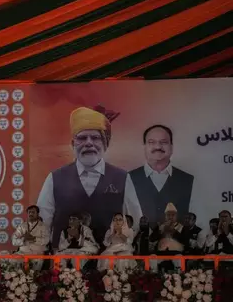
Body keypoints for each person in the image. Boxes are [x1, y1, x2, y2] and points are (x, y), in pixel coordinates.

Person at [37, 106, 143, 249]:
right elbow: (42, 226)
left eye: (95, 138)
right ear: (73, 144)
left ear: (105, 144)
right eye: (82, 138)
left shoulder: (122, 178)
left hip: (110, 264)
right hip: (64, 265)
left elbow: (135, 224)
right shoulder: (54, 178)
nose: (89, 143)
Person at [129, 125, 194, 225]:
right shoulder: (128, 178)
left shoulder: (188, 180)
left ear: (171, 147)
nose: (158, 147)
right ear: (144, 147)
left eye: (164, 142)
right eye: (151, 142)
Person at [153, 203, 189, 271]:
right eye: (168, 215)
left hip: (176, 253)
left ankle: (179, 278)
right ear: (165, 216)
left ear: (176, 216)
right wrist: (161, 230)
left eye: (173, 215)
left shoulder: (183, 228)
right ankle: (154, 279)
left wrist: (174, 231)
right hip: (161, 253)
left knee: (179, 260)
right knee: (152, 259)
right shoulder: (160, 227)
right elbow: (152, 239)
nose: (170, 217)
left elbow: (186, 242)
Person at [12, 205, 49, 269]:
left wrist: (34, 239)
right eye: (29, 212)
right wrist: (24, 239)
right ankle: (19, 278)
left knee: (37, 265)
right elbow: (14, 241)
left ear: (37, 214)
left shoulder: (43, 226)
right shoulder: (22, 226)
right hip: (23, 253)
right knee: (13, 260)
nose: (31, 214)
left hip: (37, 254)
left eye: (33, 212)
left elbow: (46, 240)